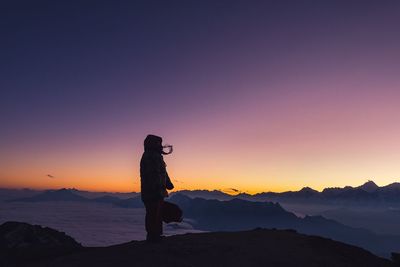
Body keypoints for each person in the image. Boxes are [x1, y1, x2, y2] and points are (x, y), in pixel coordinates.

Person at [140, 134, 177, 242]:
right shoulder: (149, 156)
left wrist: (168, 183)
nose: (160, 146)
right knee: (153, 213)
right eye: (158, 143)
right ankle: (152, 236)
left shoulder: (156, 156)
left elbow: (163, 172)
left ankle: (157, 235)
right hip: (152, 192)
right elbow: (152, 174)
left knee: (157, 213)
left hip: (157, 191)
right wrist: (156, 187)